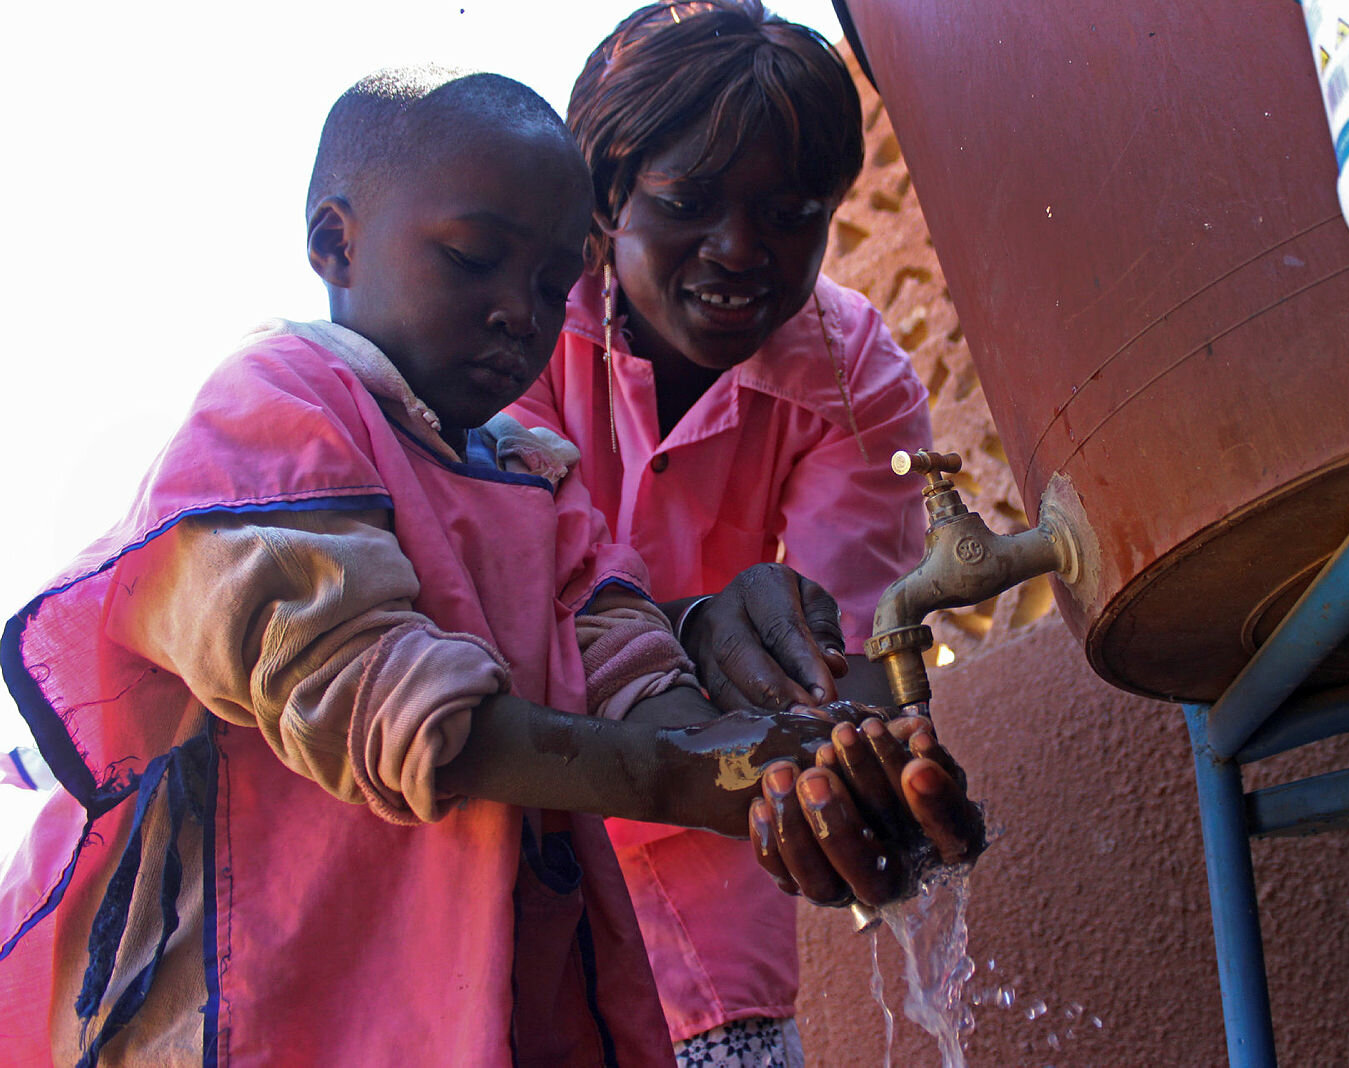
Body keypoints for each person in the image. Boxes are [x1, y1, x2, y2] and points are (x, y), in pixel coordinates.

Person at [0, 66, 977, 1066]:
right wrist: (693, 778)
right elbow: (375, 700)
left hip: (450, 1002)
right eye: (474, 260)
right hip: (234, 996)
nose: (519, 311)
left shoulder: (533, 477)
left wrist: (797, 764)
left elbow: (633, 678)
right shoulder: (275, 415)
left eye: (552, 284)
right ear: (334, 241)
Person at [505, 3, 940, 1062]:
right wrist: (694, 627)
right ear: (606, 200)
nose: (742, 251)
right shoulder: (507, 313)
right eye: (689, 202)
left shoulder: (855, 379)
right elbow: (504, 590)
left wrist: (868, 765)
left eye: (791, 212)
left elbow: (848, 651)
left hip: (719, 810)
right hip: (511, 771)